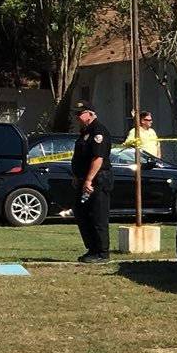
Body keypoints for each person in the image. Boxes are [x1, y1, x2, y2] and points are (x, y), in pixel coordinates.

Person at [69, 100, 113, 264]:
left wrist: (88, 180)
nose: (77, 117)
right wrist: (77, 176)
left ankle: (102, 252)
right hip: (83, 179)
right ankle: (92, 249)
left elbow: (98, 158)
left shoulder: (98, 131)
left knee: (97, 215)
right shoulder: (85, 132)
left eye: (79, 113)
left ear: (90, 113)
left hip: (97, 180)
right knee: (82, 214)